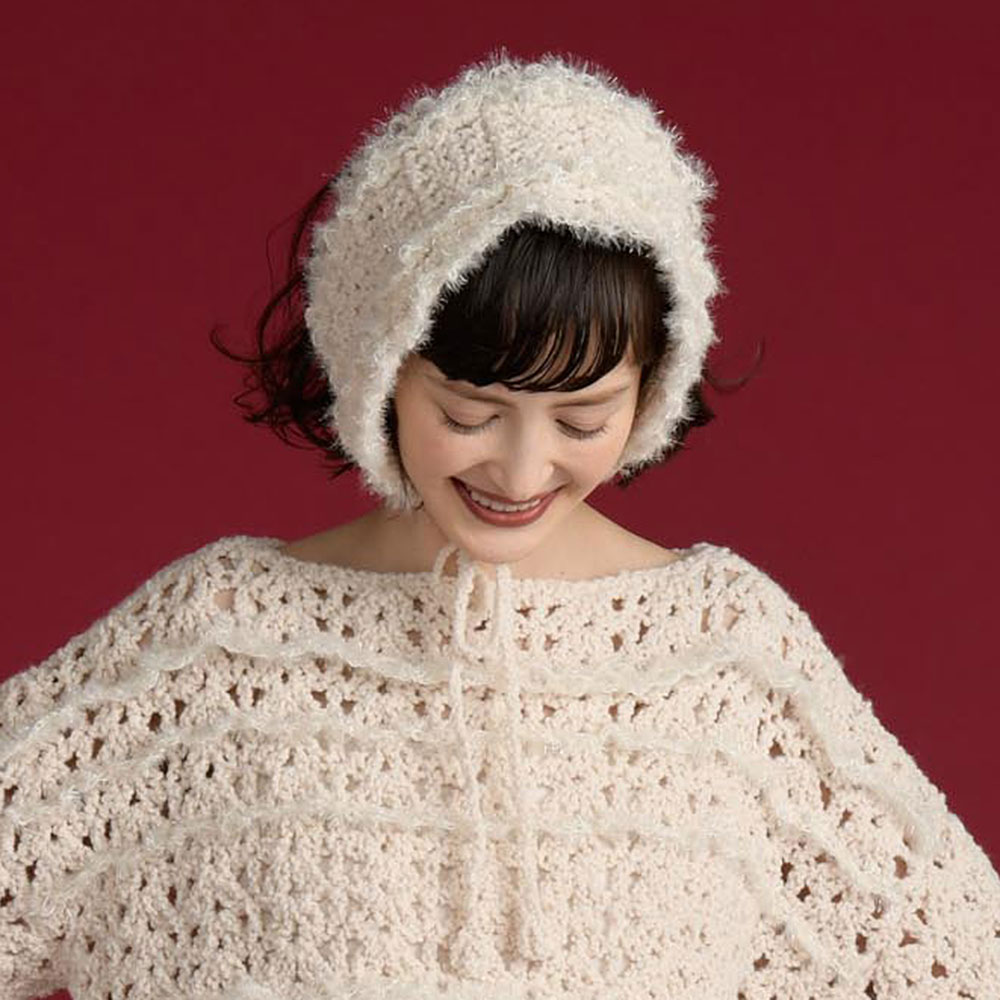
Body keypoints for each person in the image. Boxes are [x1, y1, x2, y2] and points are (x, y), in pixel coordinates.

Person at [2, 51, 997, 1000]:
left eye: (582, 420)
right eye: (470, 413)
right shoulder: (217, 644)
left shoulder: (726, 658)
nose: (521, 472)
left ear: (653, 387)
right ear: (380, 368)